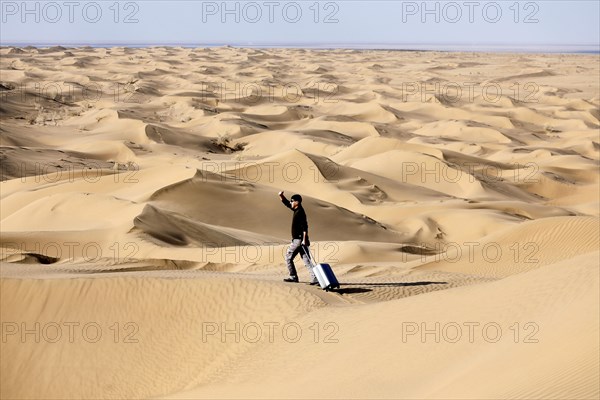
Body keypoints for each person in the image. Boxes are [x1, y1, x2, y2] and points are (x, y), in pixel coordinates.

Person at [278, 191, 318, 285]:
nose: (291, 202)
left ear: (297, 202)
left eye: (292, 201)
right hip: (300, 241)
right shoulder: (296, 209)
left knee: (288, 257)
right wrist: (281, 196)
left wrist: (304, 240)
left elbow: (305, 227)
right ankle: (315, 278)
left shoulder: (300, 212)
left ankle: (293, 276)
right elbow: (287, 204)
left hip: (298, 240)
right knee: (306, 260)